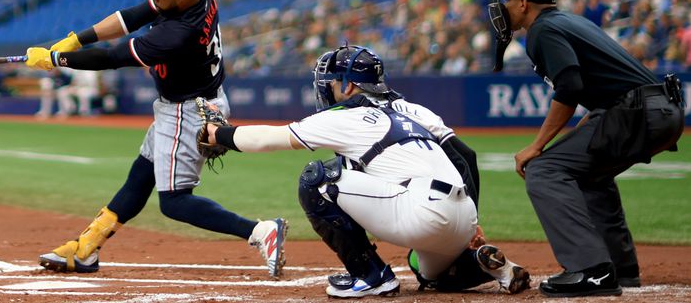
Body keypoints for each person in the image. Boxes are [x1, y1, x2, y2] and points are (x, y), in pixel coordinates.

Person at [24, 0, 285, 277]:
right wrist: (79, 38)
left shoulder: (177, 34)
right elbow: (132, 16)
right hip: (189, 103)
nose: (155, 1)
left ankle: (260, 231)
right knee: (141, 174)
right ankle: (86, 249)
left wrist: (57, 59)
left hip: (188, 110)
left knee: (174, 201)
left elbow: (112, 58)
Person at [201, 43, 528, 298]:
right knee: (428, 272)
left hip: (423, 214)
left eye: (331, 82)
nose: (326, 89)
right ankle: (489, 266)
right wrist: (473, 222)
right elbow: (465, 156)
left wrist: (220, 134)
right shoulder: (413, 109)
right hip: (460, 215)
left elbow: (270, 138)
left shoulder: (346, 116)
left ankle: (370, 277)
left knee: (317, 179)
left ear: (348, 86)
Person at [487, 0, 685, 296]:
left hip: (637, 111)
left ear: (522, 3)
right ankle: (620, 269)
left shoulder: (541, 31)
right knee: (588, 171)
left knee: (544, 169)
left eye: (505, 1)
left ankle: (591, 269)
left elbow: (569, 86)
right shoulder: (569, 20)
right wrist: (596, 116)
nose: (501, 9)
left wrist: (536, 146)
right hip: (658, 109)